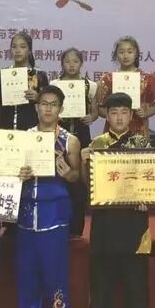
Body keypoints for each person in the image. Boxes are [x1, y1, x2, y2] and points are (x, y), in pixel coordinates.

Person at [4, 86, 81, 308]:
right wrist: (18, 173)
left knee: (55, 271)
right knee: (27, 270)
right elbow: (8, 171)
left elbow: (77, 177)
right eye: (44, 103)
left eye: (53, 104)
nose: (48, 108)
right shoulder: (22, 138)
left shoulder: (70, 140)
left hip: (54, 212)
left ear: (61, 109)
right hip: (26, 212)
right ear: (36, 107)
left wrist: (67, 172)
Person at [80, 93, 155, 308]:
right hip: (105, 218)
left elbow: (153, 178)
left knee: (136, 274)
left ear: (131, 115)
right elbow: (87, 183)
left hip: (135, 218)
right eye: (114, 113)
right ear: (107, 116)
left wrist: (149, 196)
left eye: (124, 112)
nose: (119, 117)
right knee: (101, 272)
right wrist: (83, 162)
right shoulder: (97, 143)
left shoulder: (142, 143)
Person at [51, 48, 97, 237]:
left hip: (82, 133)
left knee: (80, 178)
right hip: (59, 135)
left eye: (75, 61)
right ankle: (57, 221)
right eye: (67, 61)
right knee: (59, 173)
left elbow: (95, 111)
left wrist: (91, 117)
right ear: (62, 63)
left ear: (81, 63)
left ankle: (77, 226)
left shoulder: (90, 86)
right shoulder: (55, 84)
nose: (71, 65)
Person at [96, 36, 155, 139]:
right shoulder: (108, 79)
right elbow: (100, 108)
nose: (125, 56)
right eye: (121, 52)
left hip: (139, 131)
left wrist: (145, 113)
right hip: (113, 132)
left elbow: (154, 107)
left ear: (136, 54)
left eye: (130, 52)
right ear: (116, 55)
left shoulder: (147, 79)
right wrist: (112, 115)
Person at [0, 32, 49, 131]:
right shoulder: (3, 74)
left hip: (31, 129)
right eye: (14, 47)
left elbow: (49, 106)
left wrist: (39, 98)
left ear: (29, 50)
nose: (18, 50)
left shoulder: (39, 75)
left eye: (22, 47)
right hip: (6, 128)